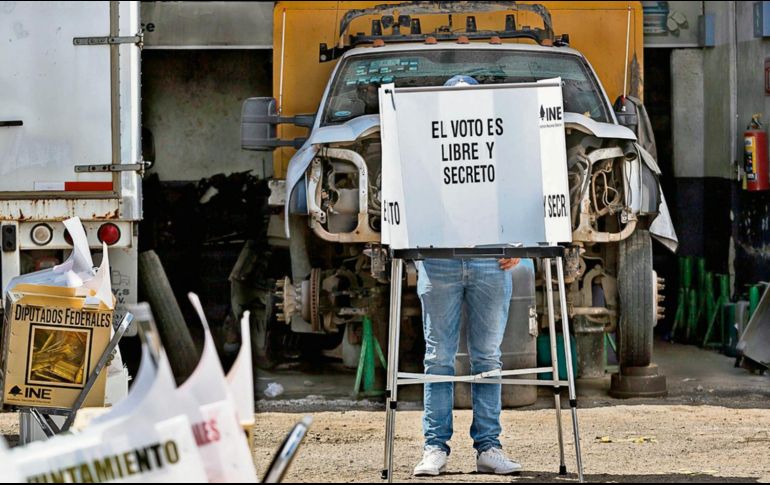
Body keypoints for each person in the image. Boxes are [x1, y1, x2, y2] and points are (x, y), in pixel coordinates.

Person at [413, 75, 524, 477]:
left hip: (491, 260)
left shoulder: (500, 146)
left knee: (486, 358)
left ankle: (488, 448)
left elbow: (520, 196)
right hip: (438, 259)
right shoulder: (426, 145)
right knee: (438, 357)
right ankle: (435, 448)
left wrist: (519, 244)